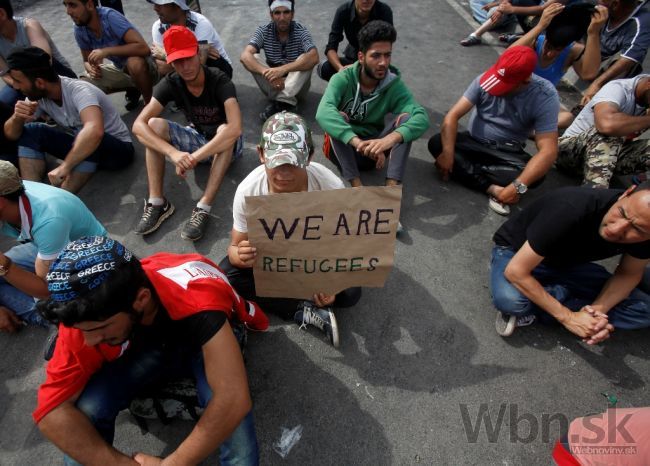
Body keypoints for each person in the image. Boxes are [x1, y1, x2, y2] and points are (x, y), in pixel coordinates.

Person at [34, 236, 262, 465]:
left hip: (200, 342)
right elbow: (52, 413)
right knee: (87, 410)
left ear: (141, 299)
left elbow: (232, 399)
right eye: (83, 330)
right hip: (147, 347)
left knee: (229, 411)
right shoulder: (82, 321)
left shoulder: (195, 295)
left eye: (101, 327)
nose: (90, 341)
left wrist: (172, 464)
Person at [219, 111, 361, 348]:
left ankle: (305, 298)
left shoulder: (330, 187)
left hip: (314, 258)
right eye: (277, 161)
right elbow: (235, 244)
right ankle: (301, 308)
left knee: (350, 292)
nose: (284, 172)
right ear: (262, 155)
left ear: (310, 157)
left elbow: (346, 244)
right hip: (274, 260)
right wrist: (238, 255)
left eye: (293, 162)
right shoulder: (248, 191)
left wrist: (333, 283)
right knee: (228, 274)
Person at [490, 184, 650, 343]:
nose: (616, 229)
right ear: (627, 192)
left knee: (645, 310)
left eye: (637, 229)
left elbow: (628, 274)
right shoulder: (572, 205)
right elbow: (516, 271)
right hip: (518, 252)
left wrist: (597, 312)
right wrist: (568, 318)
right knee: (511, 301)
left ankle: (545, 304)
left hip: (570, 264)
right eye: (622, 212)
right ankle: (555, 303)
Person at [132, 25, 241, 241]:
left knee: (225, 129)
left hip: (226, 146)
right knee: (152, 125)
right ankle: (157, 203)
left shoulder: (219, 80)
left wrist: (192, 158)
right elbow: (138, 125)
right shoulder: (171, 82)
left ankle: (203, 207)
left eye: (189, 58)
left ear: (198, 55)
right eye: (178, 61)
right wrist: (174, 154)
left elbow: (236, 128)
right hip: (197, 140)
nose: (185, 66)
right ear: (171, 62)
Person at [428, 45, 559, 216]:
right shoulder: (487, 78)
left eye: (506, 85)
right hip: (472, 142)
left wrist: (517, 186)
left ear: (525, 80)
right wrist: (447, 152)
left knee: (535, 176)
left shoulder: (545, 96)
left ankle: (468, 171)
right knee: (437, 143)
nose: (498, 89)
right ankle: (492, 188)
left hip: (506, 152)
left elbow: (548, 151)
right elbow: (452, 116)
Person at [315, 20, 429, 197]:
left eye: (387, 55)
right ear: (361, 57)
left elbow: (421, 117)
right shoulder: (342, 79)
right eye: (376, 56)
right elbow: (322, 112)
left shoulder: (394, 85)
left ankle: (390, 191)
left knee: (407, 120)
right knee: (337, 116)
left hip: (375, 149)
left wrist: (389, 140)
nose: (383, 62)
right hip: (344, 147)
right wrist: (355, 141)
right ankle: (356, 186)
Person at [4, 47, 133, 193]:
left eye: (17, 81)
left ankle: (60, 200)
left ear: (39, 83)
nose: (14, 86)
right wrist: (17, 117)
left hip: (118, 151)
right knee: (32, 130)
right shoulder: (38, 96)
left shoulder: (80, 91)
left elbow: (94, 131)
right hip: (85, 148)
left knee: (87, 136)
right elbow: (11, 135)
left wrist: (64, 167)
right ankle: (33, 195)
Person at [0, 161, 107, 333]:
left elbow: (45, 290)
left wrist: (4, 266)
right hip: (50, 245)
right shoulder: (10, 187)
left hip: (89, 260)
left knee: (46, 302)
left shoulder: (48, 220)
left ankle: (53, 323)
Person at [511, 2, 608, 128]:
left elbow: (588, 73)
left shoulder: (573, 51)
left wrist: (593, 33)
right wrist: (541, 25)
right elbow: (507, 57)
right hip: (516, 96)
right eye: (548, 47)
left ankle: (532, 131)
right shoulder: (535, 40)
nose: (550, 53)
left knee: (567, 117)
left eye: (557, 49)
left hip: (538, 103)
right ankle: (533, 127)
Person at [557, 74, 650, 188]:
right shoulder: (618, 89)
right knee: (614, 130)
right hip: (568, 153)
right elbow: (606, 125)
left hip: (607, 159)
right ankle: (592, 194)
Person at [64, 0, 157, 110]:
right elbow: (86, 61)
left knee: (134, 63)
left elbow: (143, 48)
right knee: (84, 82)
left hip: (149, 68)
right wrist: (91, 69)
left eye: (72, 5)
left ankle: (150, 106)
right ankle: (101, 120)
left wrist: (106, 51)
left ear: (89, 5)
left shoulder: (110, 17)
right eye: (65, 5)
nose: (68, 11)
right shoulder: (79, 28)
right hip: (122, 70)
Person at [240, 0, 319, 121]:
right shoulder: (263, 30)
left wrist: (281, 70)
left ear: (292, 14)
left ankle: (280, 103)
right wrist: (269, 74)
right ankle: (286, 104)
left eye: (286, 12)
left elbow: (314, 56)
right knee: (253, 57)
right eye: (277, 13)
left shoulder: (301, 31)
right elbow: (244, 56)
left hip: (297, 89)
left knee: (306, 58)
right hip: (273, 85)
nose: (282, 17)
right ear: (271, 15)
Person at [0, 0, 76, 107]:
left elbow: (43, 61)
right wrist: (19, 85)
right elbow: (4, 74)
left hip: (54, 74)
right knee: (4, 102)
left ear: (2, 14)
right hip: (21, 81)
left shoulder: (30, 26)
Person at [581, 0, 650, 105]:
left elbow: (632, 56)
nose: (598, 1)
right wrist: (593, 32)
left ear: (615, 4)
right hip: (588, 57)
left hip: (607, 68)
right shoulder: (597, 7)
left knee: (629, 62)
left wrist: (597, 83)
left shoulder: (642, 20)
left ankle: (598, 100)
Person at [148, 0, 233, 78]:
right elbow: (160, 66)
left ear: (178, 6)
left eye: (161, 4)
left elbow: (199, 64)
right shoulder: (158, 27)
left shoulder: (201, 23)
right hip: (191, 69)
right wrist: (194, 51)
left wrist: (164, 54)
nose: (155, 8)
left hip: (219, 69)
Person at [317, 0, 393, 82]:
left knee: (391, 77)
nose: (366, 0)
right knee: (324, 67)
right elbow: (331, 47)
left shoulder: (384, 11)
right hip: (352, 56)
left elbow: (386, 46)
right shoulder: (343, 11)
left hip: (374, 61)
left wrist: (360, 67)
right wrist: (340, 69)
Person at [460, 0, 548, 47]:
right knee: (493, 12)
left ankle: (517, 36)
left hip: (545, 24)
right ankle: (476, 35)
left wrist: (511, 9)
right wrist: (501, 8)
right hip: (526, 13)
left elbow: (541, 9)